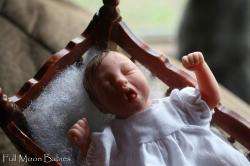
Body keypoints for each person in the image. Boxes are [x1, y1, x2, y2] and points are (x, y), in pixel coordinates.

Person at [67, 51, 249, 165]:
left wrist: (200, 69)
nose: (121, 81)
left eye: (127, 71)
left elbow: (210, 99)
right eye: (107, 84)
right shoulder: (113, 137)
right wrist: (85, 146)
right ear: (102, 106)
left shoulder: (177, 104)